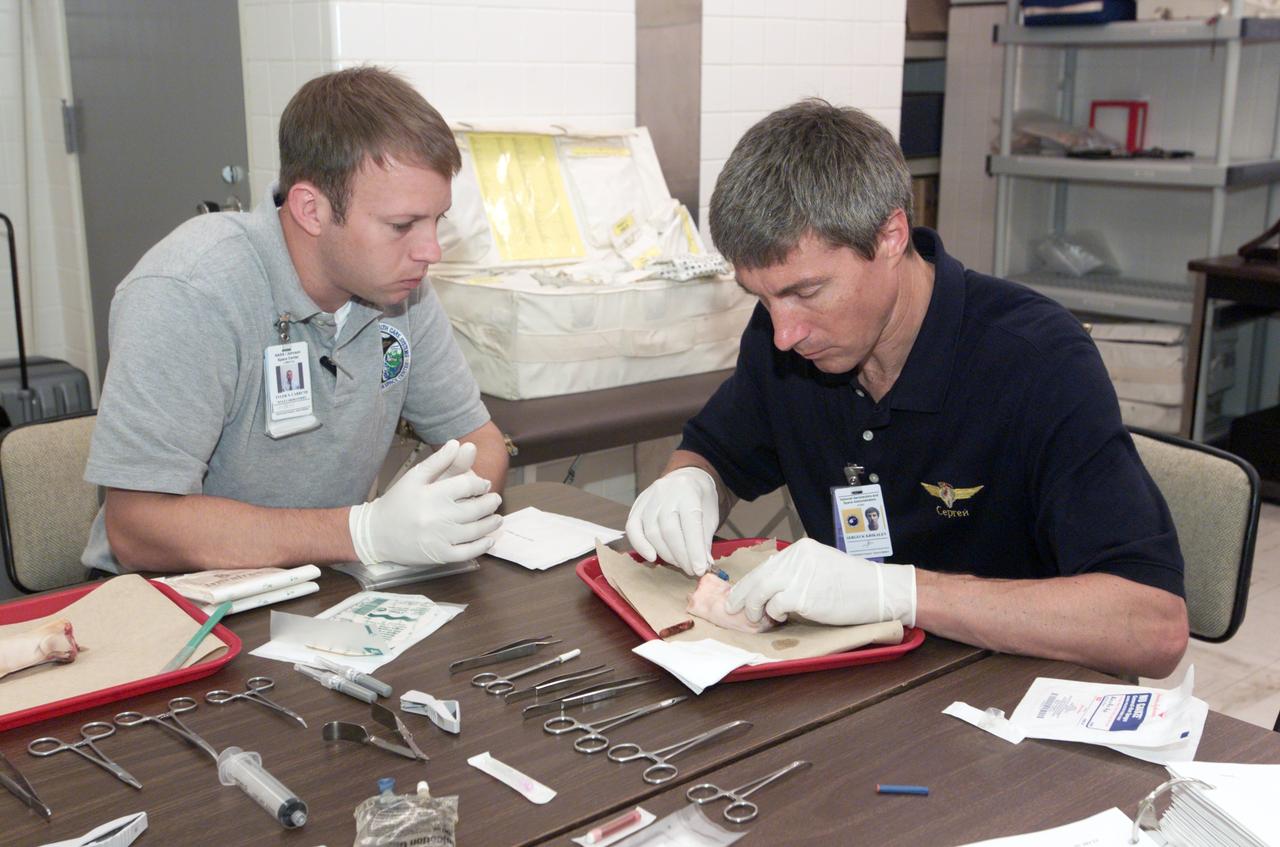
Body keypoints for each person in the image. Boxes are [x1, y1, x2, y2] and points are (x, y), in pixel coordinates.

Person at [626, 100, 1188, 679]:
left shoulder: (1036, 361)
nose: (786, 333)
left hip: (1016, 699)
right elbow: (716, 453)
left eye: (807, 291)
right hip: (864, 688)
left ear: (891, 235)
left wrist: (901, 593)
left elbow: (1152, 626)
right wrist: (689, 485)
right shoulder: (786, 340)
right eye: (762, 299)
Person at [82, 67, 507, 574]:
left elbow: (479, 441)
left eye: (436, 220)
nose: (430, 250)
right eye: (401, 225)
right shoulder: (190, 291)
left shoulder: (399, 288)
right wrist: (364, 531)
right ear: (311, 209)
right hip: (173, 602)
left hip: (321, 581)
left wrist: (446, 519)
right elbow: (138, 529)